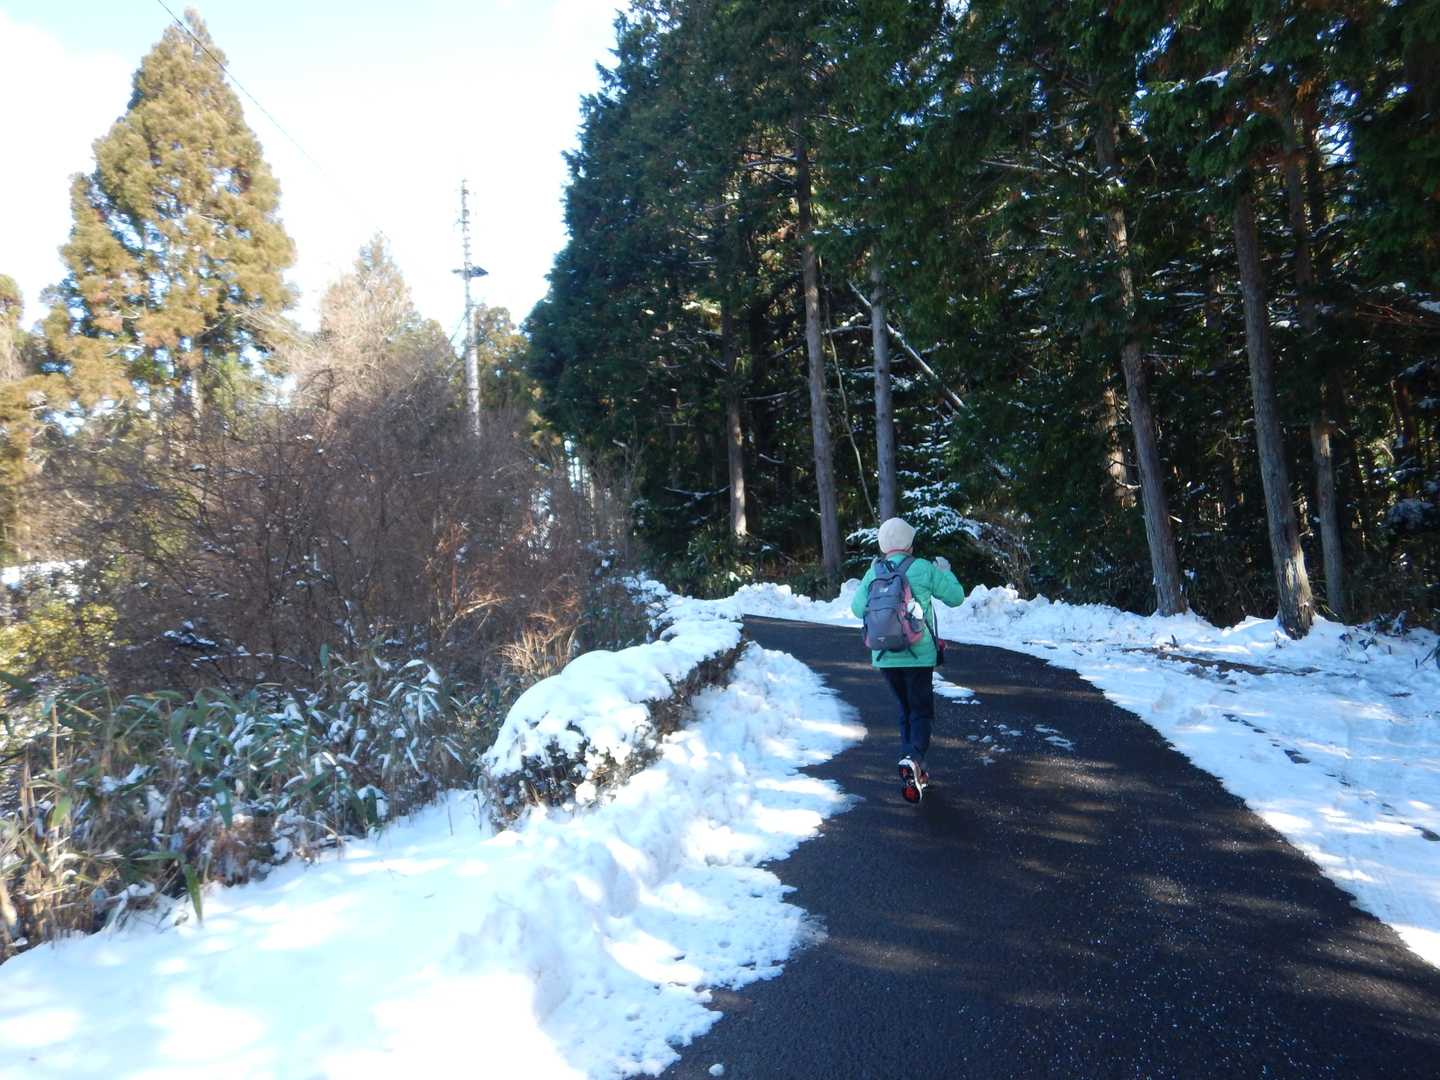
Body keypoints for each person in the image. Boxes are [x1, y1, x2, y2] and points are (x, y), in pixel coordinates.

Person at [850, 516, 965, 802]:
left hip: (884, 654)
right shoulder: (922, 568)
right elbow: (956, 597)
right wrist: (946, 572)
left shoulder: (874, 571)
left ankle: (915, 769)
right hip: (918, 654)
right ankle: (913, 758)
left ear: (882, 544)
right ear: (909, 543)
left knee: (905, 710)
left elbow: (856, 608)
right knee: (921, 712)